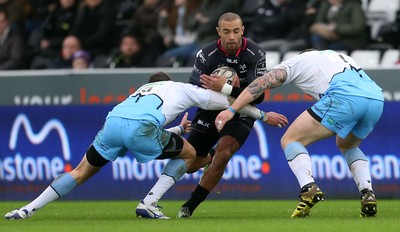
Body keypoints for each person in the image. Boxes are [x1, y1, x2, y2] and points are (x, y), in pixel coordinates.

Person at [4, 72, 286, 220]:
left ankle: (27, 209)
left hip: (113, 122)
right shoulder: (183, 88)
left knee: (79, 172)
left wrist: (176, 129)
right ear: (168, 81)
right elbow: (230, 104)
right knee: (190, 153)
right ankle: (149, 203)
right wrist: (263, 115)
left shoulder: (140, 91)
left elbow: (134, 128)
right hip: (142, 128)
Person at [215, 49, 384, 218]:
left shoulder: (296, 62)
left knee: (291, 139)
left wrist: (232, 109)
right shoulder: (336, 55)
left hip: (344, 96)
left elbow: (262, 82)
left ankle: (308, 188)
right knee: (347, 144)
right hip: (376, 98)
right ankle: (367, 192)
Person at [157, 12, 287, 218]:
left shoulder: (256, 54)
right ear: (219, 32)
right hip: (209, 111)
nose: (232, 37)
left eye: (236, 31)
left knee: (224, 154)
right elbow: (194, 91)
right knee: (190, 165)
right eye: (226, 32)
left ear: (242, 30)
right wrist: (225, 89)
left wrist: (226, 88)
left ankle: (189, 207)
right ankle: (208, 156)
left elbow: (258, 97)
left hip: (241, 112)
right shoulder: (205, 55)